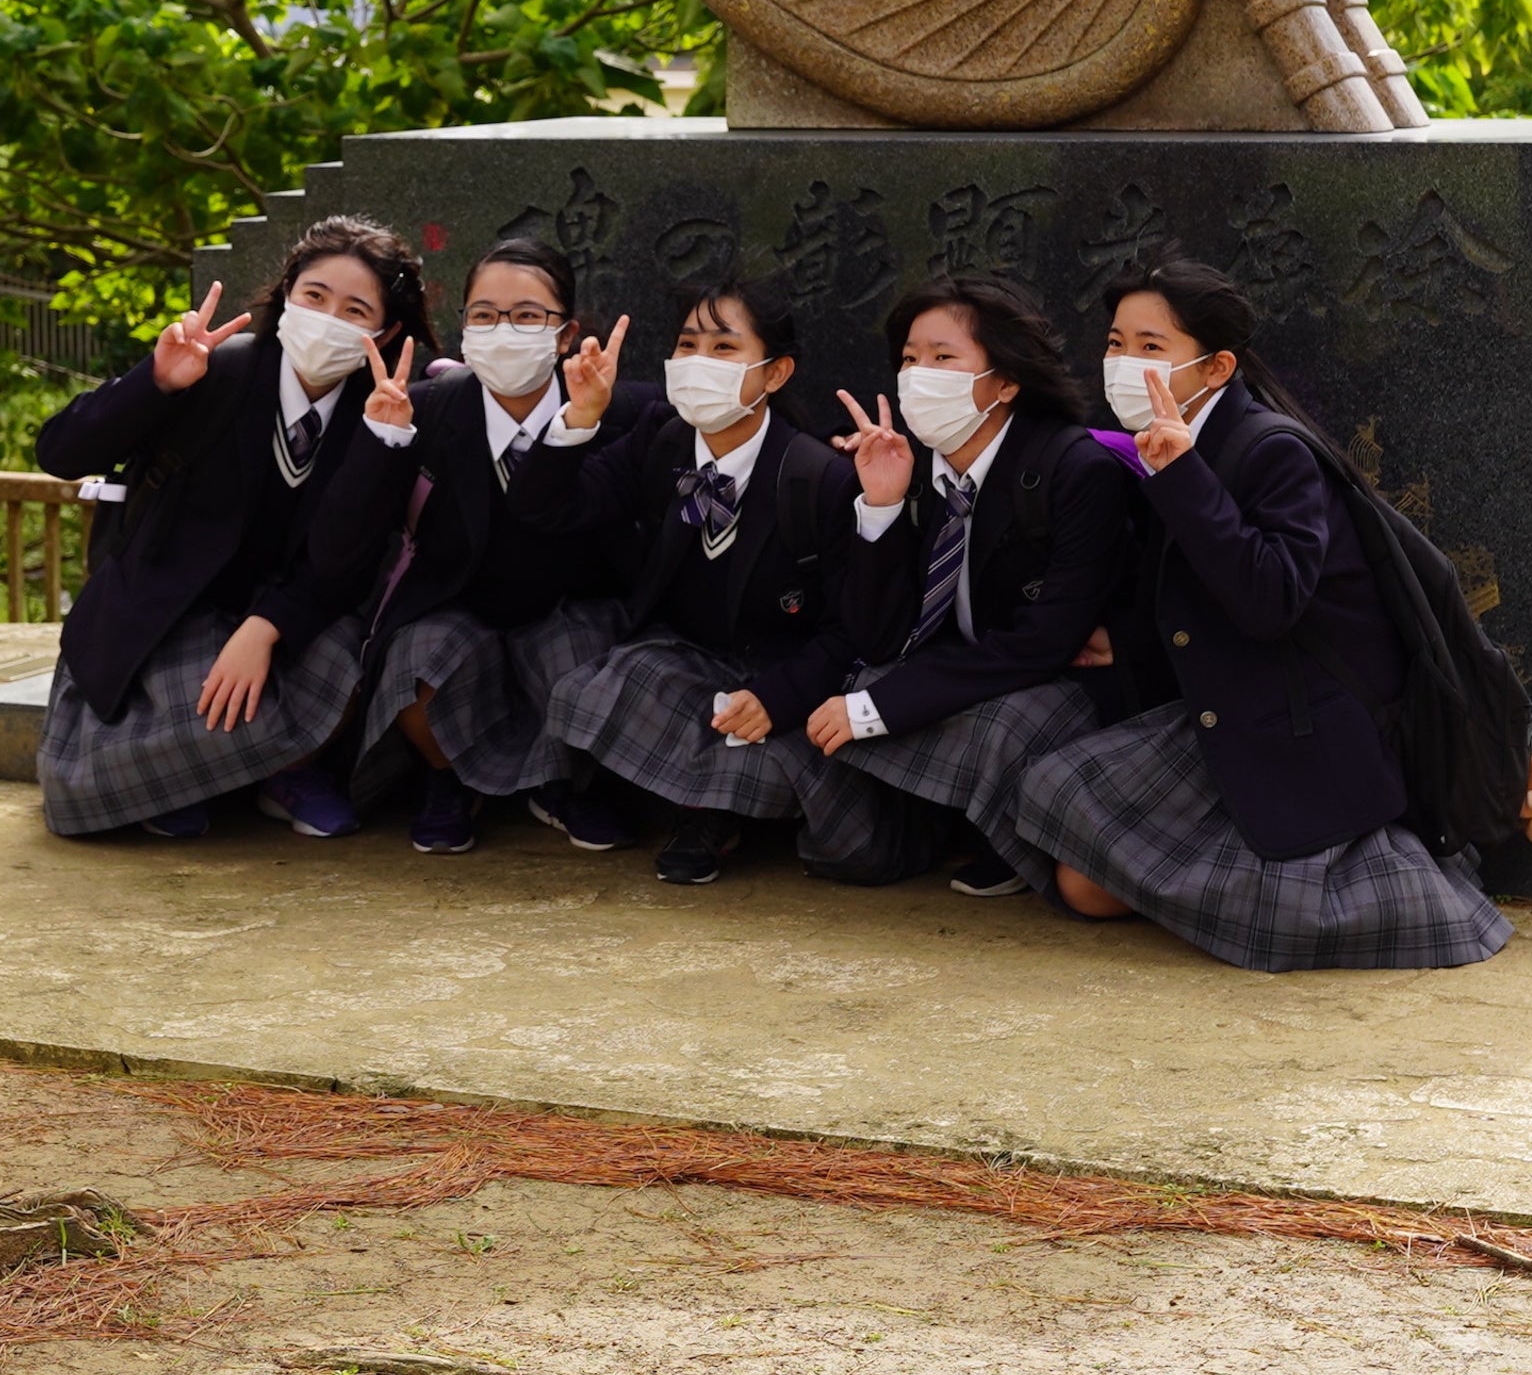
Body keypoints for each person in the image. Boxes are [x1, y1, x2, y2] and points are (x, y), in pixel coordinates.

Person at [1002, 257, 1532, 970]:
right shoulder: (1171, 441)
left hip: (1302, 719)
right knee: (1068, 844)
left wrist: (1183, 478)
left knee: (1113, 886)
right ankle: (1234, 873)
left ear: (1217, 367)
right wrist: (1120, 640)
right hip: (1226, 701)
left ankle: (1361, 883)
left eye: (1150, 347)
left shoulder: (1269, 451)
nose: (1124, 363)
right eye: (1114, 344)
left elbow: (1270, 601)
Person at [31, 216, 429, 841]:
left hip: (298, 613)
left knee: (336, 663)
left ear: (386, 331)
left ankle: (280, 774)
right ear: (287, 295)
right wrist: (155, 381)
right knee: (190, 698)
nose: (329, 319)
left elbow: (342, 558)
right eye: (315, 297)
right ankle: (204, 773)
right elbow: (59, 451)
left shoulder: (384, 415)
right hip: (169, 609)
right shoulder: (215, 371)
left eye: (356, 310)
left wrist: (267, 627)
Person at [521, 276, 882, 886]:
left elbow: (855, 628)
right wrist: (581, 415)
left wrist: (780, 698)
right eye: (687, 346)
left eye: (723, 349)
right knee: (598, 687)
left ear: (775, 372)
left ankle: (708, 809)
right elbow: (548, 509)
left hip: (783, 672)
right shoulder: (661, 441)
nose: (698, 364)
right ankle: (696, 798)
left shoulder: (818, 478)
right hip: (686, 660)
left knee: (773, 756)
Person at [809, 276, 1136, 896]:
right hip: (971, 661)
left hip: (1063, 680)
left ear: (1006, 382)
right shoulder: (919, 462)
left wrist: (881, 711)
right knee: (862, 684)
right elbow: (879, 638)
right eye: (909, 359)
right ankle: (929, 823)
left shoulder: (1075, 471)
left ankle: (1014, 838)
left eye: (943, 358)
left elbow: (1045, 644)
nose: (918, 375)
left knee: (996, 720)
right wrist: (880, 504)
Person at [318, 234, 630, 854]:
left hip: (568, 605)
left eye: (527, 316)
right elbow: (338, 545)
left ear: (565, 333)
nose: (504, 330)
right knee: (416, 665)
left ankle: (559, 786)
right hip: (457, 606)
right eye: (485, 315)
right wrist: (381, 442)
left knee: (586, 667)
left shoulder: (617, 411)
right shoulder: (425, 409)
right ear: (463, 327)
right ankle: (450, 778)